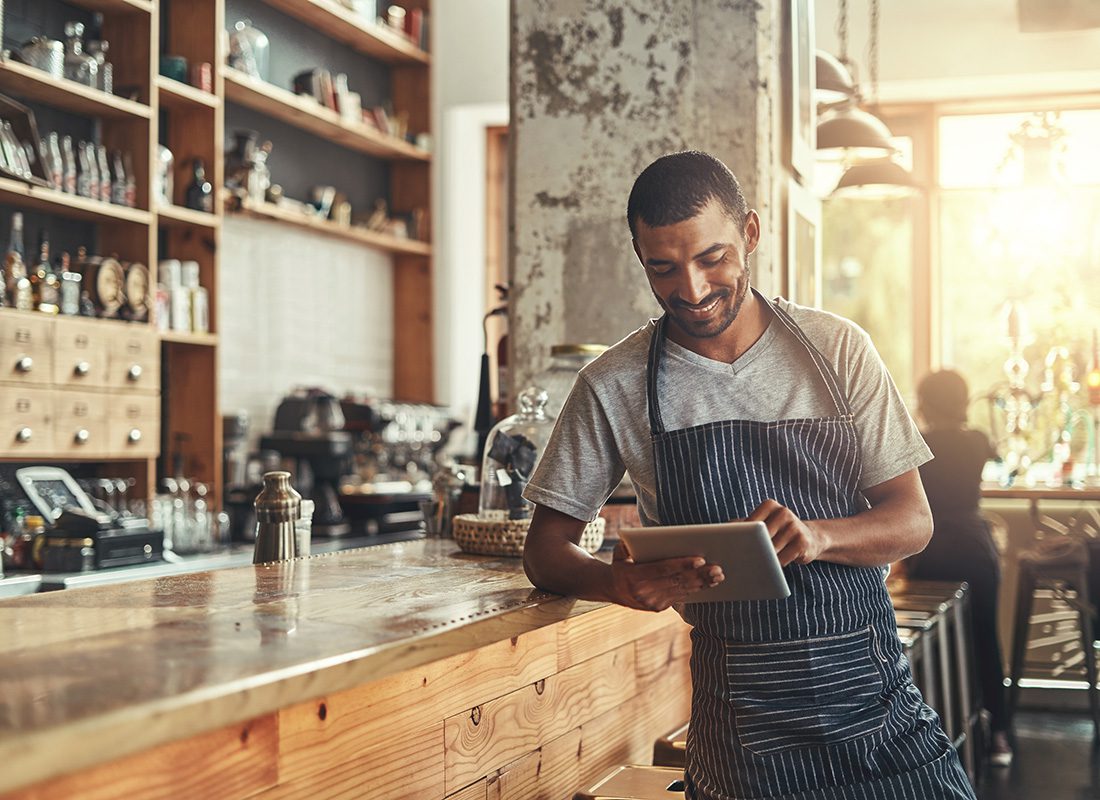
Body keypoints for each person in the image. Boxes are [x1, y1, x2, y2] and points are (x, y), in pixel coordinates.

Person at [521, 151, 975, 799]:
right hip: (742, 743)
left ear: (751, 235)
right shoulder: (614, 384)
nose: (693, 290)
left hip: (878, 720)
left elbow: (913, 521)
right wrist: (616, 582)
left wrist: (819, 538)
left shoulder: (838, 350)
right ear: (640, 256)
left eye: (713, 259)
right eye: (664, 268)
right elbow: (545, 549)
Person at [910, 369, 1012, 766]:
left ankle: (935, 734)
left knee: (935, 641)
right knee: (986, 639)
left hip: (932, 548)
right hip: (975, 546)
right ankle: (1000, 735)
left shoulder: (920, 442)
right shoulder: (977, 441)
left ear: (925, 403)